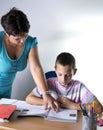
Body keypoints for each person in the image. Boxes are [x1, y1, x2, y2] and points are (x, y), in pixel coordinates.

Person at [0, 7, 59, 111]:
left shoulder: (30, 42)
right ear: (6, 33)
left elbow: (36, 68)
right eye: (17, 39)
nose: (22, 41)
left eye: (25, 36)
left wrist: (45, 93)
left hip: (6, 94)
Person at [26, 52, 103, 117]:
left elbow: (99, 108)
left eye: (68, 75)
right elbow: (29, 98)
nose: (63, 79)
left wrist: (73, 105)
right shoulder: (48, 83)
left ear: (74, 72)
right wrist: (50, 102)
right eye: (60, 74)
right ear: (55, 70)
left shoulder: (79, 87)